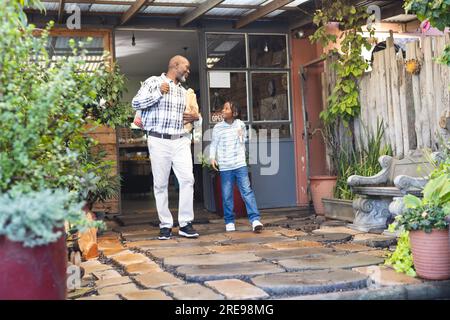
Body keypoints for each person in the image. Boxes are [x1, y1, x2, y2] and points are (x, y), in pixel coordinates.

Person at [132, 55, 200, 240]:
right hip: (158, 139)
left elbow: (194, 115)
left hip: (181, 140)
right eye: (186, 67)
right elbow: (135, 103)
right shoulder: (153, 82)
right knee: (160, 184)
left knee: (187, 180)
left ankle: (185, 224)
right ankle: (165, 225)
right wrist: (158, 93)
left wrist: (196, 117)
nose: (188, 71)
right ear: (175, 65)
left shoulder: (184, 91)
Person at [209, 101, 264, 233]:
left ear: (234, 113)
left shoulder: (240, 124)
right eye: (223, 108)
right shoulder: (218, 127)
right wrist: (212, 158)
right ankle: (229, 221)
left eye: (226, 108)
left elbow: (242, 142)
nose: (223, 110)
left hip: (240, 164)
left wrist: (241, 135)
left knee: (246, 191)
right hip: (225, 166)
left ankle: (255, 220)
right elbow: (213, 144)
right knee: (227, 194)